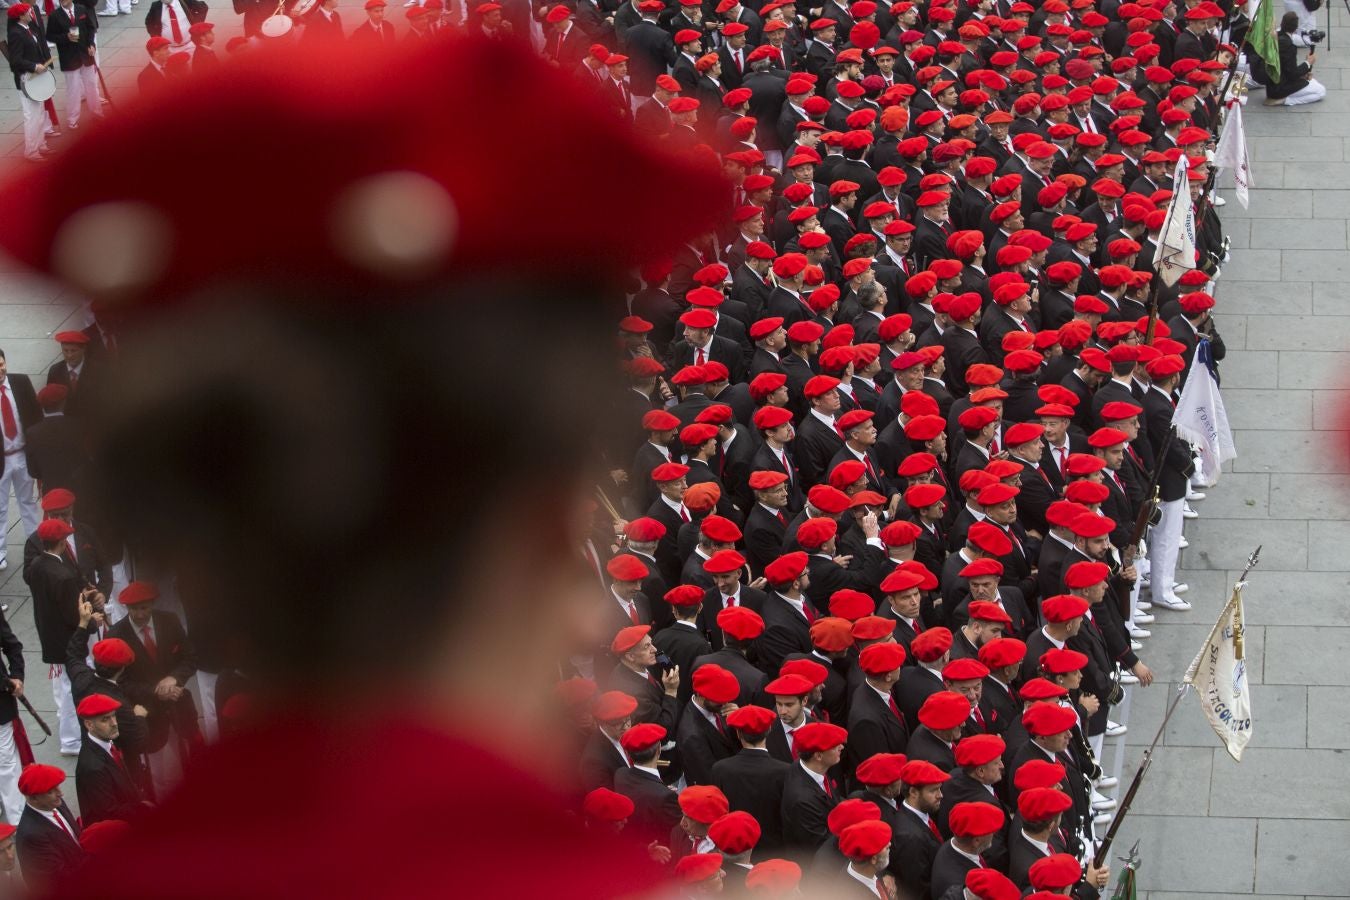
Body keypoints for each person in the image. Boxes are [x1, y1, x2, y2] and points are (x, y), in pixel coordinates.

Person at [74, 694, 149, 825]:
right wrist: (144, 808)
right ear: (89, 724)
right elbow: (109, 812)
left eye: (114, 716)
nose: (114, 723)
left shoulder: (106, 741)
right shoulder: (93, 767)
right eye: (105, 719)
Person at [14, 764, 84, 893]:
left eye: (58, 787)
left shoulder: (55, 803)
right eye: (51, 791)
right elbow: (58, 879)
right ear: (33, 798)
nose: (60, 793)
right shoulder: (32, 836)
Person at [6, 4, 53, 161]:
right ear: (20, 16)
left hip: (35, 78)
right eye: (27, 12)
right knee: (31, 115)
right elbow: (15, 60)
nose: (30, 13)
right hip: (27, 78)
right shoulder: (16, 34)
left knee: (38, 114)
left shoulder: (27, 28)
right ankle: (31, 150)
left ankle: (40, 144)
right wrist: (34, 66)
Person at [1265, 11, 1326, 106]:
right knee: (1321, 91)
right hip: (1281, 88)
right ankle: (1285, 100)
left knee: (1312, 81)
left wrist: (1303, 74)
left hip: (1272, 86)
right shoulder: (1288, 46)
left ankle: (1283, 98)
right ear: (1295, 28)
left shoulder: (1277, 37)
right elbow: (1292, 74)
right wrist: (1308, 63)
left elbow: (1287, 69)